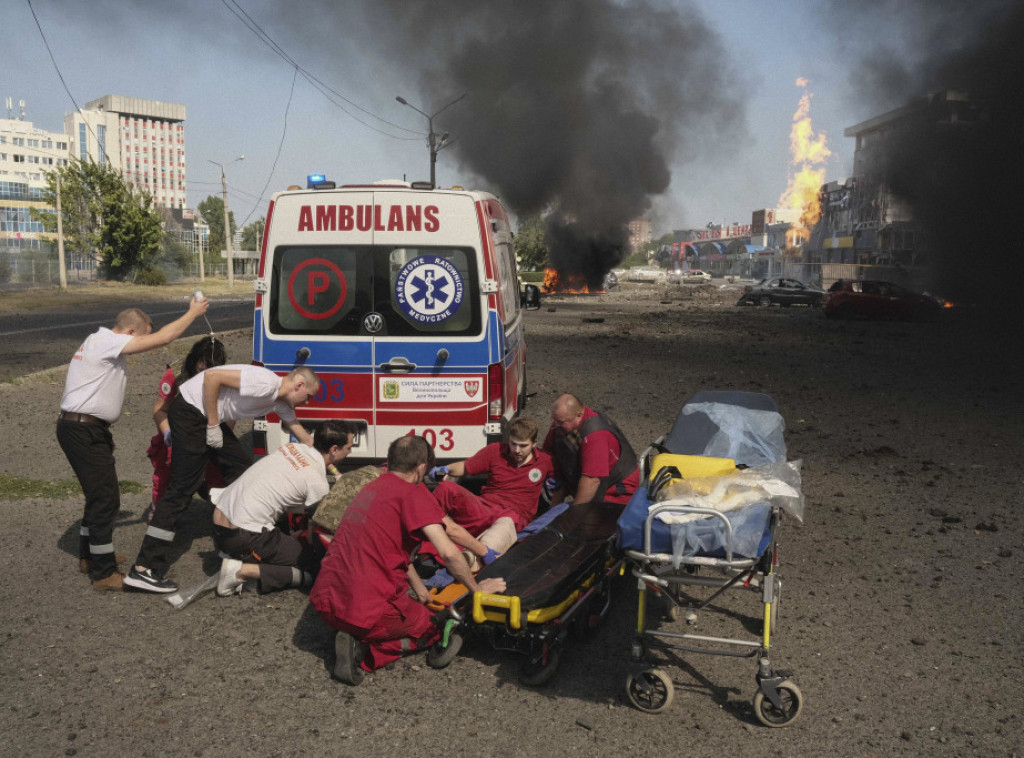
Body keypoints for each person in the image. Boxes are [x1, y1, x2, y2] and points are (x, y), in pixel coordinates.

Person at [309, 435, 506, 685]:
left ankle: (352, 633)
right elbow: (448, 552)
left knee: (405, 607)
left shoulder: (371, 488)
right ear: (422, 467)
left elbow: (393, 548)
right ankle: (364, 652)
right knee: (433, 628)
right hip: (367, 611)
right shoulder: (412, 494)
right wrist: (477, 591)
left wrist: (420, 588)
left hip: (326, 602)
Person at [56, 298, 210, 592]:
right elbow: (164, 337)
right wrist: (192, 312)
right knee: (106, 499)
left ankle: (91, 556)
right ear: (129, 332)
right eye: (140, 338)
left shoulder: (96, 340)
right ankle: (103, 574)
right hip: (81, 429)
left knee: (98, 495)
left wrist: (103, 432)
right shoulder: (108, 342)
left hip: (87, 428)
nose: (141, 346)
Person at [126, 365, 320, 593]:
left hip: (206, 419)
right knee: (181, 489)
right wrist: (213, 425)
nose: (308, 402)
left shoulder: (278, 401)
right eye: (308, 397)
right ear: (298, 385)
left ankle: (242, 539)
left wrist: (320, 456)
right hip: (191, 413)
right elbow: (212, 376)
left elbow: (298, 429)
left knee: (242, 471)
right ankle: (143, 568)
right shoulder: (265, 383)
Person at [213, 420, 356, 596]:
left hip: (220, 522)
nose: (350, 452)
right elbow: (315, 532)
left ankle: (241, 554)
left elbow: (294, 500)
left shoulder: (293, 448)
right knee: (314, 566)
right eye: (349, 447)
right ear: (334, 449)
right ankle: (242, 571)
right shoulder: (317, 483)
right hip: (242, 536)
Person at [429, 416, 555, 569]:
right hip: (485, 506)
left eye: (523, 446)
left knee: (505, 524)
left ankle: (470, 559)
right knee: (446, 488)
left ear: (534, 444)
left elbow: (563, 481)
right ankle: (421, 535)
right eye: (513, 444)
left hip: (513, 516)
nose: (516, 450)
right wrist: (446, 469)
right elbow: (466, 467)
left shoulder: (546, 461)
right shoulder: (495, 450)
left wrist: (554, 486)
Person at [146, 336, 227, 510]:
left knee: (218, 473)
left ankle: (221, 515)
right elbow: (160, 410)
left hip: (208, 430)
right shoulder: (175, 375)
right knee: (166, 470)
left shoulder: (226, 377)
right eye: (201, 370)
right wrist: (167, 432)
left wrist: (214, 433)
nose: (204, 376)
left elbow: (230, 414)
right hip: (176, 434)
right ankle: (160, 512)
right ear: (193, 362)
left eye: (210, 372)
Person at [543, 393, 639, 506]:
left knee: (584, 517)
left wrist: (574, 515)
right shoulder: (561, 424)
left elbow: (591, 480)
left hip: (615, 491)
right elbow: (548, 454)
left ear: (579, 415)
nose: (555, 425)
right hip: (584, 477)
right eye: (554, 420)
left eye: (561, 422)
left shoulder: (595, 435)